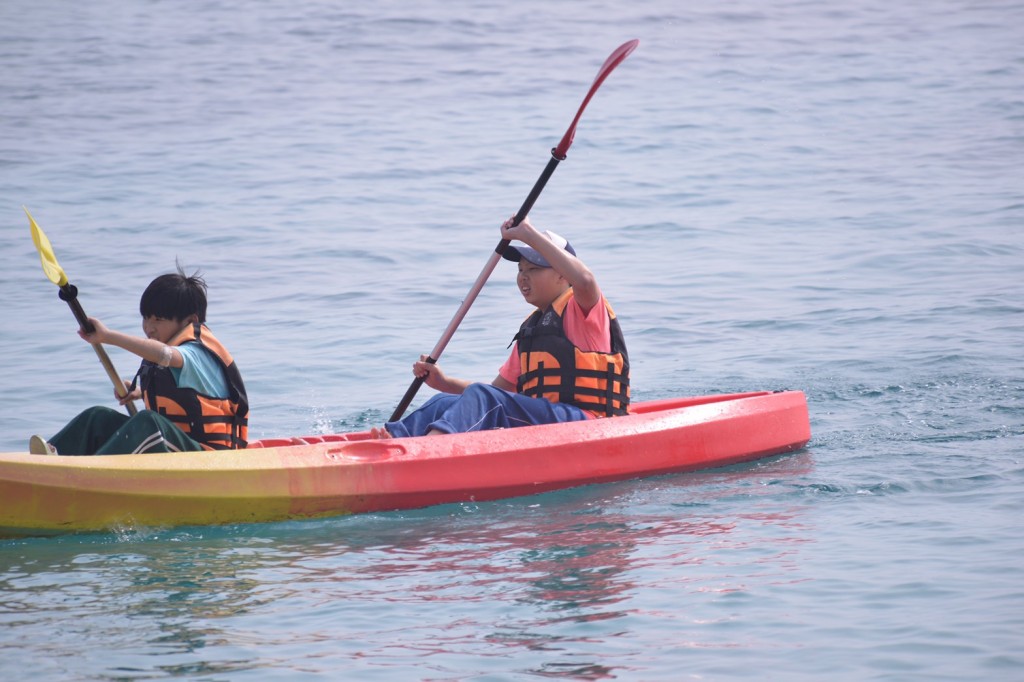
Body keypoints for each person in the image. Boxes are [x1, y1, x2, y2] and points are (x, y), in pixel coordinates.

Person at [376, 214, 629, 438]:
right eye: (520, 270)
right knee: (444, 401)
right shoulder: (532, 328)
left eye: (534, 269)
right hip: (549, 426)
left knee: (481, 397)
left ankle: (428, 450)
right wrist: (444, 383)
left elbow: (584, 279)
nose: (523, 277)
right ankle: (393, 440)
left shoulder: (583, 309)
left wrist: (528, 234)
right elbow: (495, 393)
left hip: (591, 425)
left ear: (562, 274)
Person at [29, 265, 249, 456]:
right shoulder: (173, 351)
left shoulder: (196, 353)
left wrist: (108, 337)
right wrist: (138, 391)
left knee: (148, 422)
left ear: (190, 320)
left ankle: (88, 474)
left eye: (158, 320)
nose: (148, 327)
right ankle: (50, 458)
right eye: (145, 318)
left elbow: (163, 354)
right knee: (97, 417)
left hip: (207, 458)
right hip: (175, 450)